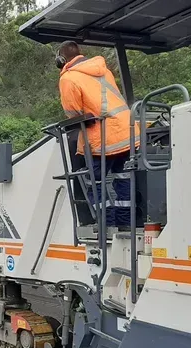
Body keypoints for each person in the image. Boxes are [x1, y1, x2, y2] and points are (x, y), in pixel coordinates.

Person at [56, 41, 137, 229]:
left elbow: (74, 112)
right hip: (126, 133)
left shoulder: (68, 78)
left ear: (61, 59)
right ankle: (126, 224)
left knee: (95, 182)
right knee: (123, 179)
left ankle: (106, 225)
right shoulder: (103, 70)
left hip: (102, 138)